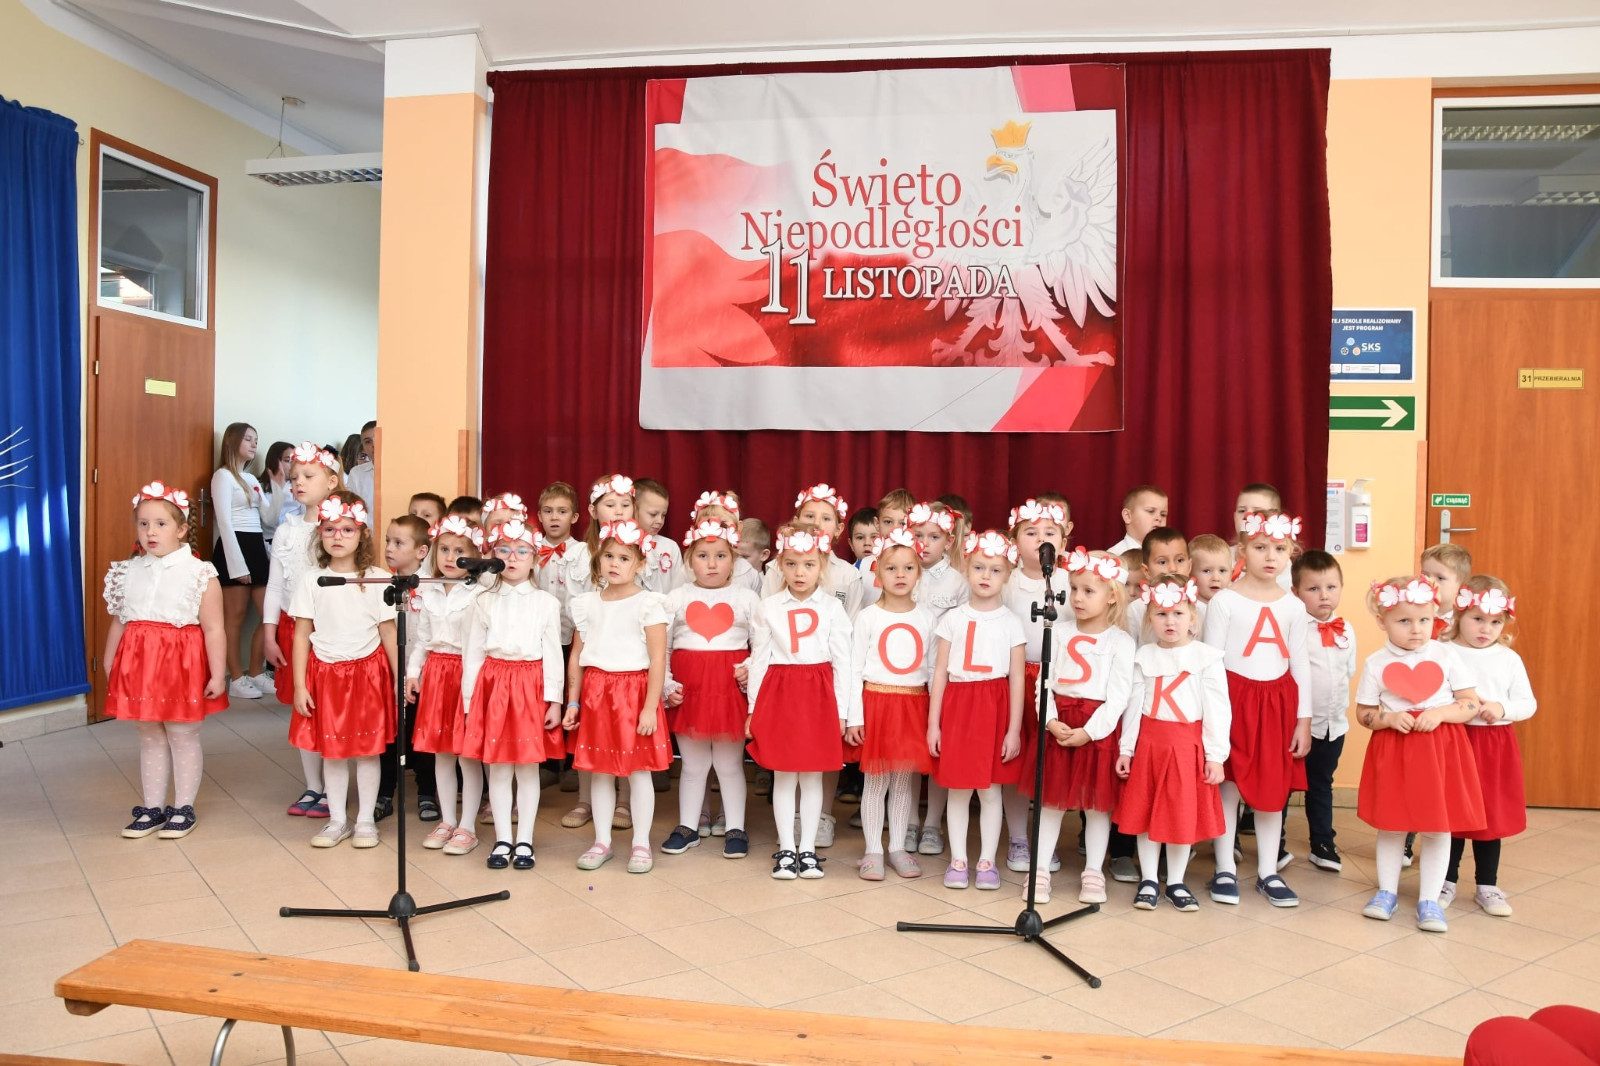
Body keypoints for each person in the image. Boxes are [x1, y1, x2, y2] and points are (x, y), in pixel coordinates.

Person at [1355, 575, 1485, 932]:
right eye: (1404, 621)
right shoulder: (1376, 663)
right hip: (1395, 749)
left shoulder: (1446, 655)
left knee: (1437, 827)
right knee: (1392, 824)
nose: (1416, 629)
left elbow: (1470, 703)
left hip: (1440, 750)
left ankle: (1430, 900)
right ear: (1382, 621)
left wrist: (1440, 713)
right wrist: (1387, 718)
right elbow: (1364, 713)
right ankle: (1386, 892)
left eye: (1424, 619)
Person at [104, 482, 228, 839]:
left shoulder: (200, 573)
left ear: (182, 529)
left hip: (180, 665)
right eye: (143, 524)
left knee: (181, 733)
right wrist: (111, 662)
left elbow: (214, 629)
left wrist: (217, 673)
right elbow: (120, 620)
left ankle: (183, 807)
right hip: (139, 665)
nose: (150, 532)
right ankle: (152, 807)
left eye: (160, 524)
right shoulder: (127, 571)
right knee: (148, 734)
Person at [1202, 510, 1312, 907]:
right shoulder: (1225, 601)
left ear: (1290, 554)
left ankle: (1268, 871)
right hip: (1233, 701)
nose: (1270, 556)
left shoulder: (1294, 607)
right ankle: (1224, 868)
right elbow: (1211, 663)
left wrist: (1303, 719)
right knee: (1228, 786)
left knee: (1271, 791)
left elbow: (1301, 665)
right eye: (1261, 547)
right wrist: (1212, 717)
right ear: (1242, 552)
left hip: (1277, 706)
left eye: (1280, 549)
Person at [1114, 575, 1230, 912]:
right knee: (1146, 812)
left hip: (1187, 748)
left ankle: (1176, 881)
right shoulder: (1144, 656)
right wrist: (1127, 748)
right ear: (1149, 618)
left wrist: (1215, 755)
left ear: (1192, 617)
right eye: (1162, 614)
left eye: (1178, 613)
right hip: (1150, 745)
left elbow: (1217, 709)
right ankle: (1149, 879)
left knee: (1181, 815)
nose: (1170, 621)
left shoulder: (1207, 657)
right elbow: (1134, 706)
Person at [289, 492, 398, 849]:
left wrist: (398, 680)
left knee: (367, 751)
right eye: (330, 529)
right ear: (319, 533)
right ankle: (337, 820)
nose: (338, 536)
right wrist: (300, 686)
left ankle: (365, 820)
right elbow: (301, 635)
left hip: (367, 674)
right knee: (332, 752)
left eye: (347, 529)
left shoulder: (378, 578)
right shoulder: (312, 579)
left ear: (362, 534)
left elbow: (388, 632)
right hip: (326, 674)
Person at [1028, 548, 1134, 904]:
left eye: (1088, 591)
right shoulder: (1058, 632)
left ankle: (1093, 872)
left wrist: (1090, 732)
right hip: (1060, 725)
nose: (1077, 597)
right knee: (1051, 804)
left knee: (1097, 807)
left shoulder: (1120, 642)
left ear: (1111, 596)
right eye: (1074, 589)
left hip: (1095, 732)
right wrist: (1050, 720)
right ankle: (1039, 871)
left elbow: (1118, 697)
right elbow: (1044, 682)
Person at [565, 520, 672, 874]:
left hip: (634, 693)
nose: (614, 563)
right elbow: (577, 656)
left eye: (624, 558)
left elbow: (658, 659)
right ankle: (602, 841)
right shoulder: (587, 604)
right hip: (597, 693)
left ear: (640, 564)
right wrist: (573, 701)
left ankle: (641, 842)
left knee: (638, 772)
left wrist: (650, 707)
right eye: (608, 556)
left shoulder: (649, 604)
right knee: (600, 772)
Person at [747, 526, 853, 880]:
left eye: (808, 564)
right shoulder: (768, 607)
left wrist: (842, 712)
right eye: (791, 564)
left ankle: (807, 849)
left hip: (818, 697)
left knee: (811, 777)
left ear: (821, 566)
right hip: (780, 696)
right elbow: (759, 661)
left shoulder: (832, 608)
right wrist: (753, 709)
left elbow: (843, 663)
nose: (800, 572)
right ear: (780, 565)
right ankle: (786, 849)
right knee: (783, 775)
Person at [462, 517, 566, 870]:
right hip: (494, 685)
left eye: (522, 551)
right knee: (499, 768)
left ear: (535, 559)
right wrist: (469, 702)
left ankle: (525, 839)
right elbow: (473, 654)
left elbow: (553, 654)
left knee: (527, 768)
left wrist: (554, 700)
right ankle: (503, 837)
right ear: (492, 556)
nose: (512, 557)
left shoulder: (546, 603)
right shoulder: (482, 601)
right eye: (504, 550)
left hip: (529, 687)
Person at [928, 530, 1026, 891]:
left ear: (1008, 574)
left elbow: (1017, 679)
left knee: (989, 790)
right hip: (958, 707)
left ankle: (986, 861)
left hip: (994, 708)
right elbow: (940, 673)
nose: (986, 576)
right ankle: (958, 860)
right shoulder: (953, 619)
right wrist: (933, 724)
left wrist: (1013, 729)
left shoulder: (1011, 622)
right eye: (979, 568)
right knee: (958, 789)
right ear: (966, 569)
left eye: (995, 570)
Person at [660, 518, 760, 860]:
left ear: (734, 559)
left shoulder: (747, 598)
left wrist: (750, 668)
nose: (712, 564)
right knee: (693, 765)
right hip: (689, 691)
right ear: (690, 560)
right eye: (703, 556)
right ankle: (687, 826)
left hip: (729, 691)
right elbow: (663, 648)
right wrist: (667, 684)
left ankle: (736, 828)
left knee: (729, 765)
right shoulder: (676, 598)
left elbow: (762, 645)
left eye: (720, 556)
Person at [847, 527, 936, 880]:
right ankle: (873, 849)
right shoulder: (868, 617)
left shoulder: (927, 617)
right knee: (876, 781)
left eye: (908, 568)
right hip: (876, 705)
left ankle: (897, 847)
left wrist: (934, 719)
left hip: (913, 706)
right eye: (891, 568)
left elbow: (932, 670)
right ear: (877, 573)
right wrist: (854, 717)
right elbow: (854, 669)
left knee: (902, 781)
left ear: (919, 573)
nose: (900, 575)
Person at [1445, 576, 1534, 917]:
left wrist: (1502, 708)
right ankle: (1445, 880)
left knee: (1489, 814)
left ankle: (1487, 884)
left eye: (1496, 622)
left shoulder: (1508, 659)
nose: (1486, 629)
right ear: (1459, 614)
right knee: (1452, 812)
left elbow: (1528, 703)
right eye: (1478, 619)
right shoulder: (1445, 652)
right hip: (1455, 741)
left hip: (1494, 745)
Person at [264, 443, 342, 818]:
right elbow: (275, 586)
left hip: (332, 630)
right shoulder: (286, 530)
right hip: (293, 628)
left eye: (308, 476)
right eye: (294, 477)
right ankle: (313, 785)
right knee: (305, 706)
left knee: (331, 707)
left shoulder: (341, 529)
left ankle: (334, 786)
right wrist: (269, 633)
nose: (298, 483)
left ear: (332, 481)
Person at [560, 475, 638, 830]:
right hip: (591, 642)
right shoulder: (578, 553)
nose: (618, 511)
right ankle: (585, 799)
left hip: (627, 651)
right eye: (610, 505)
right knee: (591, 730)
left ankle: (623, 800)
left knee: (623, 731)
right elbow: (573, 598)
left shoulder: (641, 548)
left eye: (625, 505)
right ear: (593, 511)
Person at [410, 516, 488, 858]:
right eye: (444, 549)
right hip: (436, 675)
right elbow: (422, 639)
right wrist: (413, 672)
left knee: (467, 755)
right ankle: (448, 820)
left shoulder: (479, 594)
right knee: (441, 752)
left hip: (466, 673)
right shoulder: (428, 592)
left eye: (459, 551)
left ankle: (467, 826)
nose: (450, 557)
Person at [1000, 497, 1071, 873]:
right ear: (1015, 541)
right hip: (1015, 678)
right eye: (1030, 532)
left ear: (1063, 540)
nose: (1041, 539)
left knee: (1048, 762)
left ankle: (1045, 838)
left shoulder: (1069, 582)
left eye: (1049, 532)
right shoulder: (1006, 581)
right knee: (1017, 761)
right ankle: (1018, 837)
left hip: (1056, 680)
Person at [904, 499, 968, 858]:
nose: (924, 543)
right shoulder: (901, 571)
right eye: (918, 534)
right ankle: (911, 820)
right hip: (907, 676)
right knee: (912, 752)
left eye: (934, 536)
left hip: (942, 680)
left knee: (939, 751)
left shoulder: (958, 582)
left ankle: (932, 823)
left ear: (949, 541)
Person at [1292, 550, 1357, 873]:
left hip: (1333, 725)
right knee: (1286, 784)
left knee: (1321, 784)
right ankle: (1275, 843)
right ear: (1296, 592)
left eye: (1331, 587)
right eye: (1313, 589)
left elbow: (1349, 671)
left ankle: (1322, 842)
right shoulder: (1295, 630)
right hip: (1297, 726)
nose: (1324, 595)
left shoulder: (1347, 630)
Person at [377, 515, 435, 822]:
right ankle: (385, 791)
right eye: (388, 540)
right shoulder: (381, 583)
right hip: (390, 670)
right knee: (391, 734)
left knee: (422, 733)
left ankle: (427, 792)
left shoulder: (433, 585)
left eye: (399, 543)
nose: (389, 548)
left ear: (421, 551)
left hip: (423, 673)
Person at [211, 422, 271, 699]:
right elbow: (224, 522)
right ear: (233, 441)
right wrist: (237, 567)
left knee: (270, 614)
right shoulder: (223, 476)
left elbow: (268, 518)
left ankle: (256, 672)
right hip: (234, 546)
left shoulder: (251, 479)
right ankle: (236, 678)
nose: (254, 444)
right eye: (248, 438)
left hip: (256, 545)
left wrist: (277, 485)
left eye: (255, 439)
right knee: (233, 617)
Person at [1123, 527, 1192, 643]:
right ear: (1146, 571)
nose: (1173, 568)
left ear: (1189, 566)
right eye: (1162, 562)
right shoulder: (1136, 610)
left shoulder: (1201, 608)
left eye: (1180, 560)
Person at [633, 478, 682, 596]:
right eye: (653, 514)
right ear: (634, 509)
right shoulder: (620, 545)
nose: (659, 521)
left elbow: (679, 588)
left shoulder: (671, 547)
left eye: (663, 515)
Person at [1422, 543, 1472, 639]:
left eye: (1440, 578)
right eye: (1425, 575)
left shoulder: (1463, 621)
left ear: (1461, 584)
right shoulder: (1415, 612)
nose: (1429, 582)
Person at [1109, 485, 1168, 555]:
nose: (1159, 518)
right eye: (1150, 511)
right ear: (1127, 516)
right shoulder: (1114, 557)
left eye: (1163, 514)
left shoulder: (1169, 553)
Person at [258, 441, 298, 546]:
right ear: (275, 461)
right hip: (271, 540)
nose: (293, 465)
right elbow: (269, 522)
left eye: (295, 461)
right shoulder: (261, 487)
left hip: (295, 539)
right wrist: (278, 489)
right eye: (288, 461)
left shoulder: (299, 485)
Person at [1188, 533, 1233, 608]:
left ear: (1231, 574)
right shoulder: (1188, 608)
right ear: (1189, 573)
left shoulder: (1234, 603)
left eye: (1222, 571)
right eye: (1206, 571)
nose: (1216, 578)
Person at [345, 421, 377, 516]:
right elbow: (350, 507)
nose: (373, 445)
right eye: (368, 442)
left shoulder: (398, 469)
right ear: (363, 446)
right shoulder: (356, 473)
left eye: (377, 439)